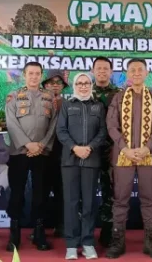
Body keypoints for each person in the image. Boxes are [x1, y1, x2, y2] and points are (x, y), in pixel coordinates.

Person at [105, 58, 152, 259]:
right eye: (132, 70)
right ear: (128, 74)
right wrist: (125, 149)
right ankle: (118, 242)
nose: (137, 73)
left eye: (140, 69)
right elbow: (111, 126)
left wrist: (146, 147)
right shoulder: (118, 97)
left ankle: (151, 242)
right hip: (123, 155)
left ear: (147, 73)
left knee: (149, 199)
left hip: (147, 155)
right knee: (120, 199)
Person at [5, 62, 58, 252]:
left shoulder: (49, 97)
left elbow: (54, 123)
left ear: (41, 75)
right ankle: (14, 233)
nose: (34, 77)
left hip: (42, 152)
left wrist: (42, 145)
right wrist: (27, 144)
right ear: (24, 75)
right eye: (31, 73)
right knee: (17, 192)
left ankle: (39, 232)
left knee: (40, 193)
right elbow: (11, 122)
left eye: (37, 73)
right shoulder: (14, 96)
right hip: (20, 152)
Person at [57, 73, 108, 260]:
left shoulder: (98, 106)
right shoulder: (66, 104)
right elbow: (61, 130)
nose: (83, 86)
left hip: (91, 160)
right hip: (70, 161)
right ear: (74, 86)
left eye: (86, 83)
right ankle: (71, 244)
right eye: (79, 83)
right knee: (71, 203)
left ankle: (87, 243)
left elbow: (102, 131)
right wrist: (75, 148)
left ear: (91, 85)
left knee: (89, 203)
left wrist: (90, 147)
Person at [91, 56, 120, 247]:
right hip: (89, 150)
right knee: (85, 190)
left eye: (105, 68)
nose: (102, 71)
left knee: (111, 191)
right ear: (93, 71)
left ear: (111, 71)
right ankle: (85, 232)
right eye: (98, 68)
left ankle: (108, 231)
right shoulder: (85, 92)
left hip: (112, 151)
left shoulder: (120, 94)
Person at [43, 70, 69, 238]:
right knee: (41, 192)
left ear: (63, 86)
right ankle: (39, 228)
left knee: (62, 191)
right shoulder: (38, 102)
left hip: (62, 154)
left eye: (58, 83)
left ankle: (61, 225)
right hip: (42, 153)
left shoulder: (68, 104)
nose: (54, 85)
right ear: (45, 85)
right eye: (51, 82)